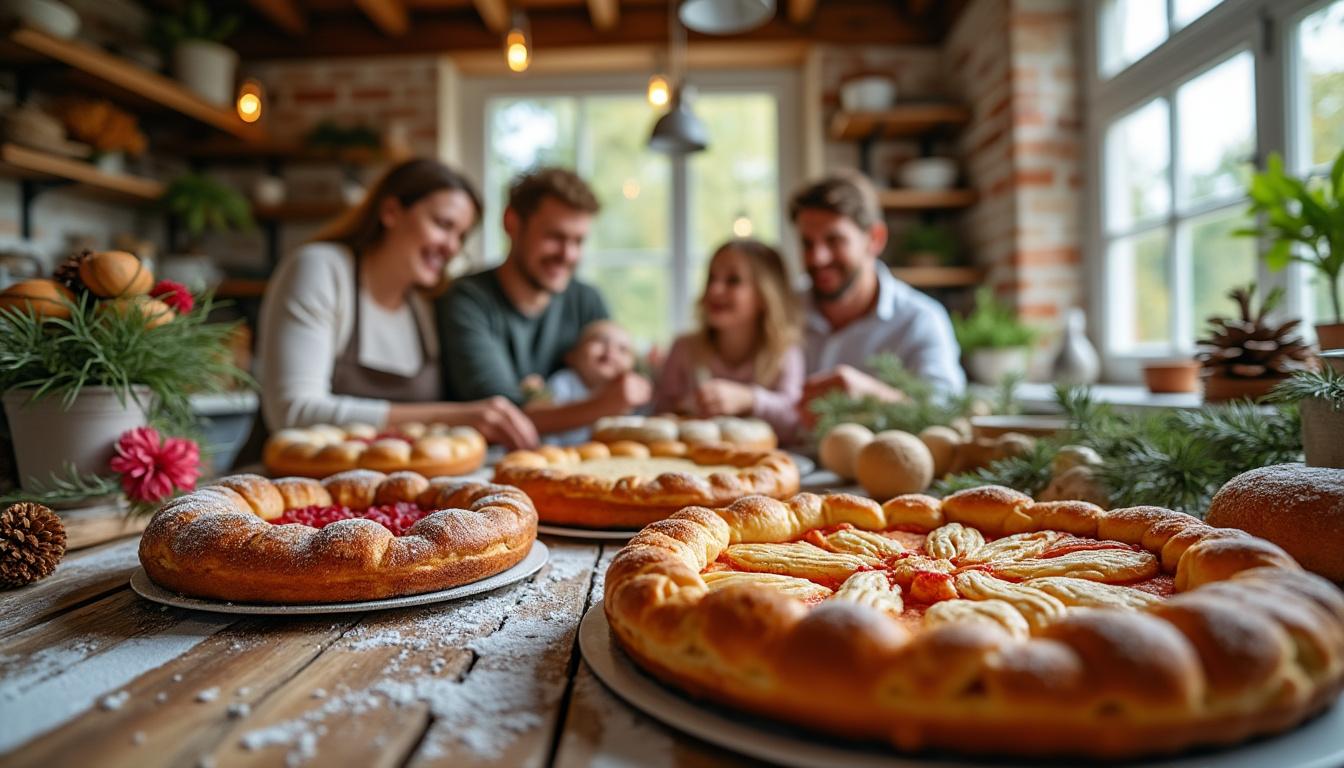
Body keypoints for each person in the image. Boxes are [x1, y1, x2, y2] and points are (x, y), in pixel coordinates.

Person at [256, 158, 538, 450]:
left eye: (461, 236)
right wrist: (453, 417)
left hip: (388, 492)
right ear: (391, 211)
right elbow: (292, 414)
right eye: (443, 224)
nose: (452, 247)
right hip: (282, 487)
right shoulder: (321, 269)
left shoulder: (425, 305)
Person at [438, 167, 650, 437]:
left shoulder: (586, 299)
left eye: (578, 241)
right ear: (512, 223)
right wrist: (603, 405)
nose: (568, 254)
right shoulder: (467, 300)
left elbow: (623, 379)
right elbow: (504, 419)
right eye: (555, 237)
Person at [790, 170, 965, 423]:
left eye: (834, 240)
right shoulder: (785, 309)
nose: (818, 258)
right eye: (807, 243)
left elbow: (947, 414)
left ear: (875, 239)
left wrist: (873, 397)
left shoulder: (920, 319)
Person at [654, 239, 805, 440]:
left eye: (733, 280)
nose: (715, 289)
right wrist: (684, 408)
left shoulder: (784, 352)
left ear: (765, 295)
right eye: (711, 279)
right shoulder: (684, 348)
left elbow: (794, 420)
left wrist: (748, 399)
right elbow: (660, 414)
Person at [528, 319, 640, 445]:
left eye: (623, 349)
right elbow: (544, 418)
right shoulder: (564, 382)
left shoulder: (625, 392)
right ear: (571, 356)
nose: (611, 350)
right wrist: (535, 392)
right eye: (600, 341)